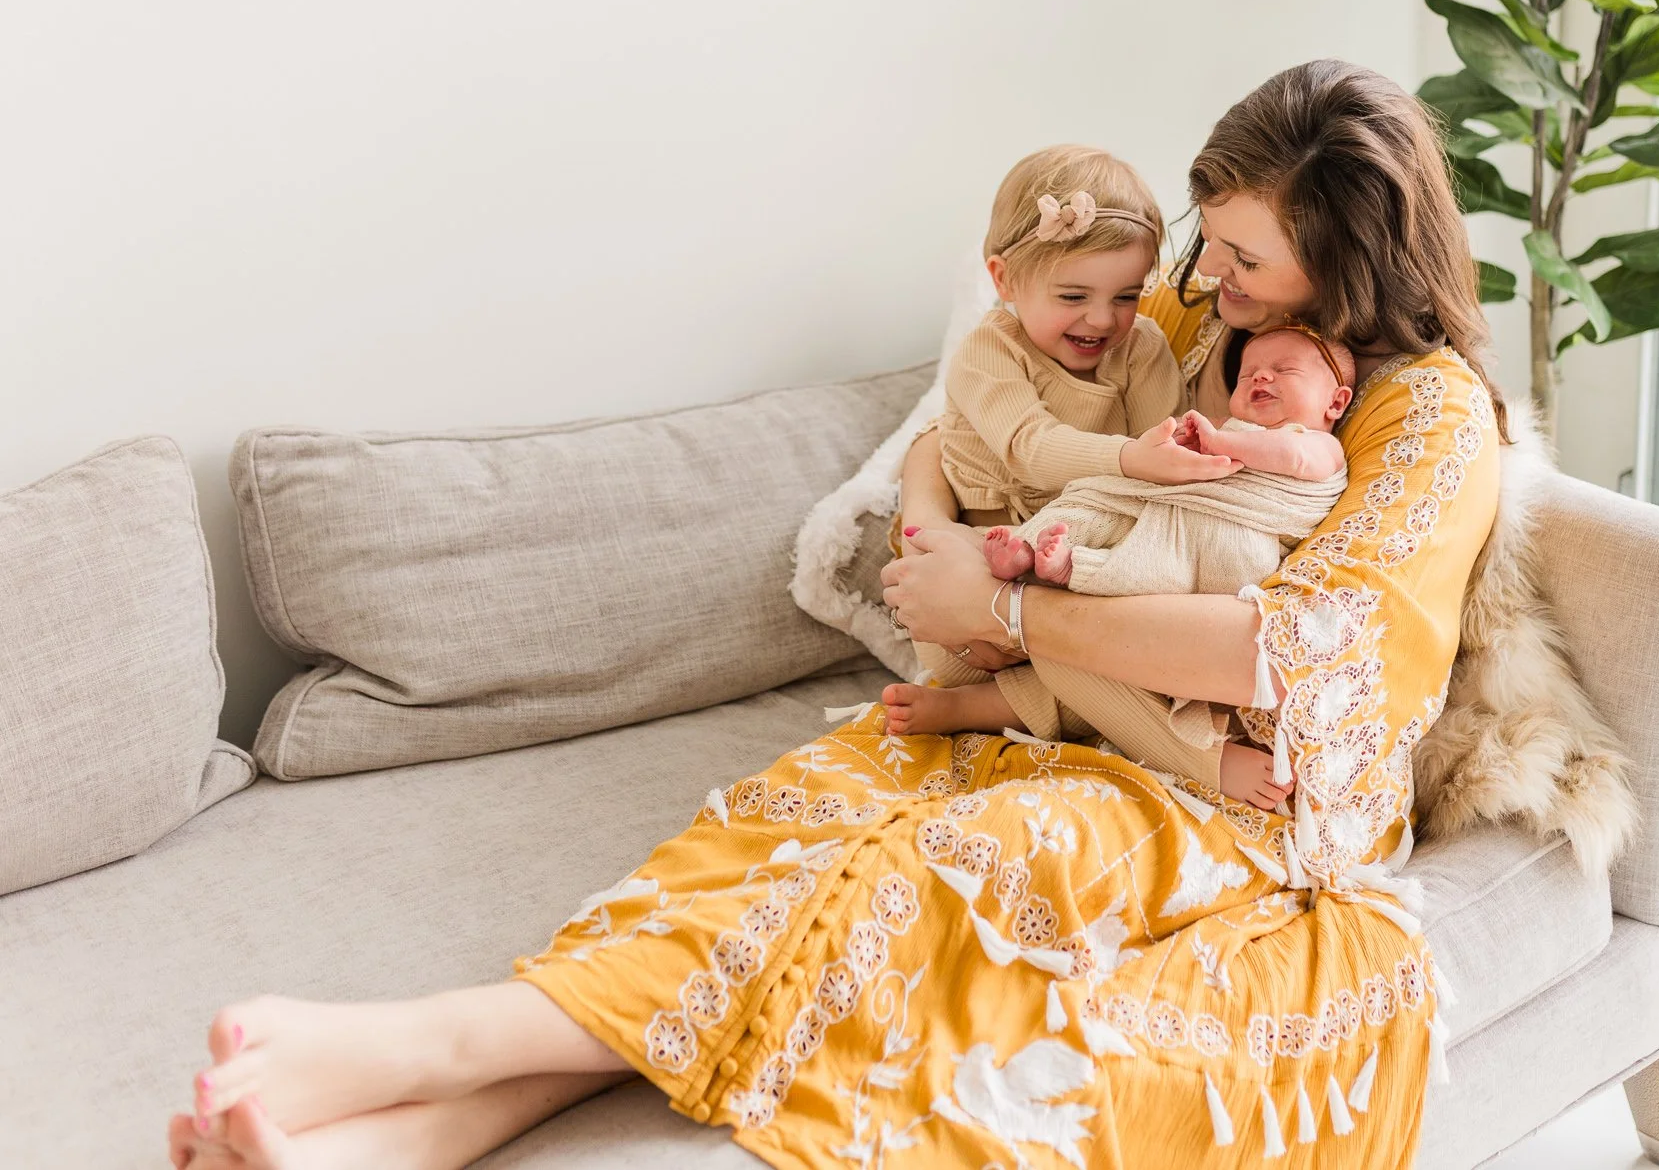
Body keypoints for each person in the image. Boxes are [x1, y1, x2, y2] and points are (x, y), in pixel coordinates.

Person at [167, 60, 1503, 1170]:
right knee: (778, 833)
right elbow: (989, 408)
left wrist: (1009, 607)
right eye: (1209, 229)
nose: (1209, 265)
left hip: (1232, 793)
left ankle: (426, 1043)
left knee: (935, 880)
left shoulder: (1426, 418)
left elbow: (1277, 657)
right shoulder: (1188, 311)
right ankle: (404, 1141)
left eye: (1245, 250)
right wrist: (945, 534)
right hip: (1050, 702)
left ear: (1346, 258)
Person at [888, 326, 1356, 788]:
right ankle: (1036, 556)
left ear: (1335, 402)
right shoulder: (992, 349)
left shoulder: (1317, 444)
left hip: (1222, 550)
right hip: (1163, 522)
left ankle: (988, 678)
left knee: (1079, 642)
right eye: (1248, 373)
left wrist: (1221, 443)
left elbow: (1293, 459)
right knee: (1090, 507)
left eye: (1283, 370)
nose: (1259, 378)